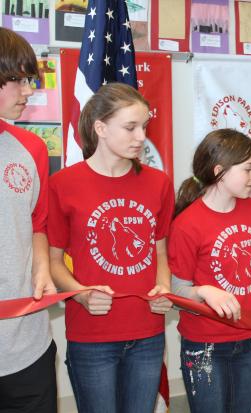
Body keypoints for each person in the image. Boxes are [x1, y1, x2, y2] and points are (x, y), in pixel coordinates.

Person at [47, 83, 175, 412]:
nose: (141, 136)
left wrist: (164, 286)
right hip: (92, 336)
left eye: (144, 126)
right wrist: (81, 294)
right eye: (130, 127)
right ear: (100, 128)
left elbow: (159, 250)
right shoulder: (63, 184)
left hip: (147, 331)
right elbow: (54, 262)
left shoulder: (159, 183)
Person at [168, 129, 251, 413]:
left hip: (249, 339)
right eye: (248, 169)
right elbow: (176, 291)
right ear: (220, 171)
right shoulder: (187, 224)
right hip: (205, 346)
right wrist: (204, 291)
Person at [0, 27, 57, 413]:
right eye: (18, 79)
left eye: (30, 79)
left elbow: (39, 223)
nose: (28, 90)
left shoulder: (31, 148)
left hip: (26, 342)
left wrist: (41, 269)